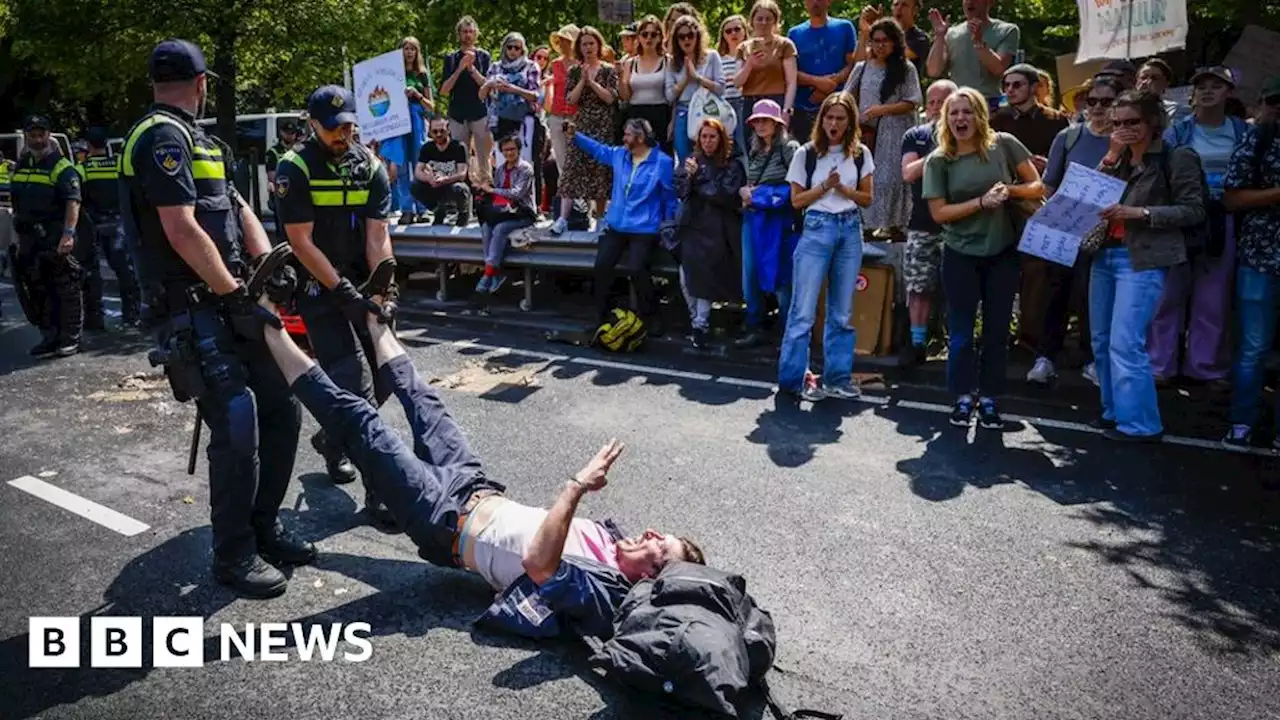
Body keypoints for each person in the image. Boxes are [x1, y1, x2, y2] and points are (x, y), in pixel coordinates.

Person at [252, 288, 704, 637]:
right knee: (424, 399)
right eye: (660, 534)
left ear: (649, 577)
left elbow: (539, 565)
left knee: (361, 421)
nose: (650, 534)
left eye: (659, 548)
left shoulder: (604, 590)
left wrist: (576, 487)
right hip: (474, 485)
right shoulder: (612, 544)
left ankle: (265, 326)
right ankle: (374, 315)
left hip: (441, 519)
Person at [121, 39, 308, 597]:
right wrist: (233, 292)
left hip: (231, 300)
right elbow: (179, 228)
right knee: (236, 422)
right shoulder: (159, 138)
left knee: (282, 408)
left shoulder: (204, 140)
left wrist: (271, 261)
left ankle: (264, 526)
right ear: (203, 84)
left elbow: (238, 205)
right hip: (191, 308)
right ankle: (233, 554)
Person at [274, 85, 398, 522]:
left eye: (348, 125)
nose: (342, 134)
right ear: (312, 125)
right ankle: (381, 489)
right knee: (353, 381)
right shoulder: (294, 168)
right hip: (318, 287)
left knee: (388, 375)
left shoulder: (370, 166)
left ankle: (332, 437)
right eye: (333, 129)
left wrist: (383, 289)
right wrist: (343, 292)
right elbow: (301, 242)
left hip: (361, 282)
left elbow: (377, 235)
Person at [922, 86, 1043, 429]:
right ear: (946, 119)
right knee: (960, 333)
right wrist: (980, 203)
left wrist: (1009, 191)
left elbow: (1038, 187)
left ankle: (989, 398)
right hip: (960, 253)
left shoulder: (1003, 144)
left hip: (1002, 252)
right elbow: (939, 213)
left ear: (980, 115)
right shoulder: (939, 159)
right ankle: (962, 397)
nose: (961, 118)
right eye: (954, 113)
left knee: (996, 332)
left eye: (967, 111)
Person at [1090, 90, 1206, 442]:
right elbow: (1089, 194)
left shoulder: (1177, 156)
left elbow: (1194, 210)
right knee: (1101, 341)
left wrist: (1140, 213)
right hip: (1104, 255)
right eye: (1118, 123)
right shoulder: (1118, 158)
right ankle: (1114, 413)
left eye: (1133, 122)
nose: (1125, 129)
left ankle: (1141, 425)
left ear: (1152, 121)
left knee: (1126, 343)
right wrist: (1111, 155)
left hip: (1142, 259)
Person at [1150, 66, 1248, 385]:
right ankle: (1159, 365)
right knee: (1169, 294)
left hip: (1223, 220)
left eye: (1216, 86)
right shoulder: (1178, 130)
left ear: (1229, 93)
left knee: (1214, 295)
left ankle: (1205, 367)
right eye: (1201, 86)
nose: (1207, 91)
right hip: (1181, 219)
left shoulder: (1241, 131)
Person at [779, 92, 875, 401]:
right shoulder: (806, 153)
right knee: (803, 311)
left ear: (849, 123)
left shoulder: (860, 154)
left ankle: (837, 378)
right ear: (821, 120)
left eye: (840, 118)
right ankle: (795, 380)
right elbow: (796, 200)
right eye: (829, 117)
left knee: (841, 313)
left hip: (849, 227)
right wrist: (824, 187)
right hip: (817, 225)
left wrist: (842, 188)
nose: (834, 123)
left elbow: (867, 198)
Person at [1037, 75, 1123, 387]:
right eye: (1092, 101)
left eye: (1106, 101)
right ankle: (1045, 357)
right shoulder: (1068, 137)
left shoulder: (1123, 140)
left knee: (1093, 298)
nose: (1098, 107)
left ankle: (1093, 361)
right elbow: (1048, 184)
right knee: (1056, 293)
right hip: (1066, 228)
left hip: (1108, 232)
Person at [989, 63, 1068, 371]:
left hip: (1040, 205)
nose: (1010, 90)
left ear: (1035, 87)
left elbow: (1065, 165)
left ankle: (1029, 339)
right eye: (1006, 85)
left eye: (1017, 85)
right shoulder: (997, 121)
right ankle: (996, 335)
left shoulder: (1057, 121)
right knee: (1001, 269)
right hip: (1002, 202)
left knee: (1036, 272)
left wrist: (1046, 163)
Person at [566, 117, 676, 331]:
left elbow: (669, 198)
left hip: (645, 229)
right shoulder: (620, 155)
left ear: (641, 137)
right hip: (617, 225)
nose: (623, 138)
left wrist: (668, 227)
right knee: (602, 266)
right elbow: (598, 150)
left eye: (627, 134)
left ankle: (651, 317)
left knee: (636, 269)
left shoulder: (662, 162)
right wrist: (575, 135)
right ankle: (603, 316)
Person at [1221, 76, 1280, 450]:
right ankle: (1241, 423)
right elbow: (1232, 199)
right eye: (1275, 102)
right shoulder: (1256, 140)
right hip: (1261, 257)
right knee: (1254, 347)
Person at [10, 114, 84, 358]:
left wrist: (68, 234)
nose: (37, 138)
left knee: (65, 289)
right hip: (29, 237)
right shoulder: (23, 164)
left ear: (49, 135)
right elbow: (18, 202)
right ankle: (49, 336)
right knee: (36, 289)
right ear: (26, 136)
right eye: (32, 134)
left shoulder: (61, 166)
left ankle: (69, 339)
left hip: (53, 236)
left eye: (41, 134)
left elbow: (73, 202)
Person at [844, 17, 921, 238]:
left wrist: (882, 110)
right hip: (867, 132)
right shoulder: (862, 67)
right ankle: (868, 227)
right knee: (867, 177)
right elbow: (846, 96)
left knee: (892, 179)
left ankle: (896, 226)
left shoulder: (906, 69)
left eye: (885, 40)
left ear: (895, 42)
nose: (880, 45)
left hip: (897, 130)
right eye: (875, 40)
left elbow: (913, 101)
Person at [674, 119, 746, 348]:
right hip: (691, 226)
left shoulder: (732, 165)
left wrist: (699, 179)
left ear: (721, 139)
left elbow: (723, 195)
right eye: (703, 136)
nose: (707, 141)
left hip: (718, 230)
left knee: (702, 278)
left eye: (712, 137)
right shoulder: (690, 162)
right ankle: (697, 320)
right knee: (685, 277)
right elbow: (682, 191)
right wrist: (691, 178)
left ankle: (700, 324)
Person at [900, 79, 957, 364]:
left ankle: (955, 343)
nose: (935, 108)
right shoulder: (916, 135)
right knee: (918, 287)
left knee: (959, 290)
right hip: (923, 223)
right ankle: (917, 343)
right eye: (931, 101)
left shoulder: (970, 135)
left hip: (960, 225)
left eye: (942, 102)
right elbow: (909, 173)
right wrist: (939, 150)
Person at [736, 99, 801, 349]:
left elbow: (795, 186)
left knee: (780, 274)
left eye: (765, 120)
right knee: (749, 275)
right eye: (757, 121)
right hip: (753, 218)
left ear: (777, 123)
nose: (760, 125)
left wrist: (758, 195)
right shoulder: (754, 149)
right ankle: (755, 326)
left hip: (779, 219)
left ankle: (787, 330)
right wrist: (746, 193)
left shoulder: (789, 147)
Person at [552, 26, 617, 236]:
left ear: (598, 45)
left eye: (591, 43)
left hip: (603, 124)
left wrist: (593, 84)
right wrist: (583, 81)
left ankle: (599, 219)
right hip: (582, 123)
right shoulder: (574, 71)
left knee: (600, 172)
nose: (588, 47)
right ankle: (562, 218)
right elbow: (570, 99)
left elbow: (610, 98)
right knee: (571, 169)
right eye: (584, 44)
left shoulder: (608, 70)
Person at [77, 127, 143, 329]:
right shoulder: (118, 165)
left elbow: (77, 199)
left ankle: (94, 317)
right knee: (124, 270)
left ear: (88, 146)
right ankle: (131, 314)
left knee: (91, 271)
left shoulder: (83, 168)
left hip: (92, 224)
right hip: (119, 223)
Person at [925, 0, 1019, 112]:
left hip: (989, 106)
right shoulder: (951, 34)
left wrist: (979, 42)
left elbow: (998, 69)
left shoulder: (1007, 30)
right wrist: (940, 36)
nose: (970, 2)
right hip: (957, 106)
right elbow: (933, 71)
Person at [474, 135, 537, 296]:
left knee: (500, 229)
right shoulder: (501, 169)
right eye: (506, 150)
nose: (509, 153)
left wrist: (493, 190)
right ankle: (494, 272)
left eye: (512, 149)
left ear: (518, 150)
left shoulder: (526, 168)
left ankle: (488, 273)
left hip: (523, 212)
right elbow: (497, 194)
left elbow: (517, 193)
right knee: (487, 227)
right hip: (504, 211)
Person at [788, 0, 858, 144]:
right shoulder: (794, 33)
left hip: (839, 108)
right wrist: (818, 82)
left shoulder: (845, 27)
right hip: (804, 107)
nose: (815, 2)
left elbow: (853, 63)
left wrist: (833, 83)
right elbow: (790, 72)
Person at [736, 1, 798, 151]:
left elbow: (791, 82)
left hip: (776, 102)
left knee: (778, 150)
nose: (764, 23)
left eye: (768, 19)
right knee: (753, 152)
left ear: (775, 22)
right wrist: (750, 63)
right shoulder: (744, 48)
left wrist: (786, 111)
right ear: (752, 21)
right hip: (751, 104)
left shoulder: (785, 45)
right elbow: (737, 82)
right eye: (759, 18)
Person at [442, 16, 494, 187]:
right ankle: (461, 196)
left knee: (483, 159)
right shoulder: (451, 58)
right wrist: (459, 68)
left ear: (476, 34)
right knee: (459, 159)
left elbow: (488, 86)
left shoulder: (484, 56)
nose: (468, 35)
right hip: (457, 115)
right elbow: (444, 90)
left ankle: (485, 195)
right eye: (464, 32)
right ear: (459, 34)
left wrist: (471, 69)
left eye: (471, 32)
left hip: (479, 113)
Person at [665, 15, 725, 162]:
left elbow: (721, 88)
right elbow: (669, 96)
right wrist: (686, 78)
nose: (686, 40)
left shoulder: (711, 56)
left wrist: (697, 78)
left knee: (710, 156)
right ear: (676, 40)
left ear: (698, 36)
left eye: (690, 35)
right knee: (685, 159)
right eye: (681, 36)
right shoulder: (672, 62)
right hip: (683, 111)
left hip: (707, 110)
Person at [389, 37, 436, 224]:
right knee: (400, 166)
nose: (409, 52)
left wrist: (417, 96)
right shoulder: (391, 74)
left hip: (416, 118)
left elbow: (431, 106)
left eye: (412, 49)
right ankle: (406, 209)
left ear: (417, 53)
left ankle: (423, 208)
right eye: (405, 48)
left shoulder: (422, 74)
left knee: (419, 164)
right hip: (398, 120)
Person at [480, 32, 541, 167]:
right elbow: (482, 95)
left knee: (524, 163)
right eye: (510, 47)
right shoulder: (496, 67)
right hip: (501, 120)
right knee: (503, 162)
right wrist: (491, 84)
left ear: (522, 50)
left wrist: (513, 89)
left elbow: (535, 95)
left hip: (524, 120)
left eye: (517, 48)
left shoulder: (531, 66)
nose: (513, 51)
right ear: (504, 48)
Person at [619, 16, 672, 156]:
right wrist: (622, 78)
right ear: (639, 37)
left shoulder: (667, 61)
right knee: (636, 158)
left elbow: (673, 95)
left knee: (660, 158)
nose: (649, 38)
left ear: (660, 37)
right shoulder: (630, 63)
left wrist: (673, 121)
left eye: (654, 34)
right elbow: (625, 96)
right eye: (644, 34)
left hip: (660, 114)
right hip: (635, 114)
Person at [412, 116, 473, 226]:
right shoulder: (427, 148)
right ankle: (438, 210)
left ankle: (463, 213)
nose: (439, 134)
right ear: (430, 132)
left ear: (448, 130)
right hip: (435, 186)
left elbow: (462, 174)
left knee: (459, 188)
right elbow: (418, 171)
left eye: (442, 131)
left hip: (453, 186)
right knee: (415, 185)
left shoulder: (458, 146)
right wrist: (429, 179)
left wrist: (445, 179)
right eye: (435, 131)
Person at [854, 0, 930, 79]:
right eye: (896, 4)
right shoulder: (878, 35)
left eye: (904, 5)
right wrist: (864, 33)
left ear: (915, 10)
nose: (899, 8)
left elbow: (900, 54)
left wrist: (890, 27)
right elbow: (859, 62)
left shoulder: (920, 38)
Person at [545, 24, 581, 183]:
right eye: (561, 40)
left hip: (576, 115)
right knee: (561, 158)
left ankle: (581, 200)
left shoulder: (582, 64)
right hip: (557, 114)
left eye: (566, 40)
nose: (563, 44)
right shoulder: (556, 64)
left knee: (578, 157)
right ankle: (566, 199)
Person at [716, 15, 749, 156]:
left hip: (743, 102)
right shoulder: (718, 59)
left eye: (737, 29)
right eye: (728, 31)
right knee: (725, 146)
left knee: (744, 144)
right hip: (724, 105)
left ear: (744, 31)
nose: (733, 34)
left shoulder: (749, 57)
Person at [265, 119, 302, 236]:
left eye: (293, 133)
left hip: (297, 196)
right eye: (287, 133)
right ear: (281, 133)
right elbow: (272, 176)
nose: (290, 136)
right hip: (281, 195)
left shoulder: (299, 151)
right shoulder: (273, 152)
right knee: (283, 231)